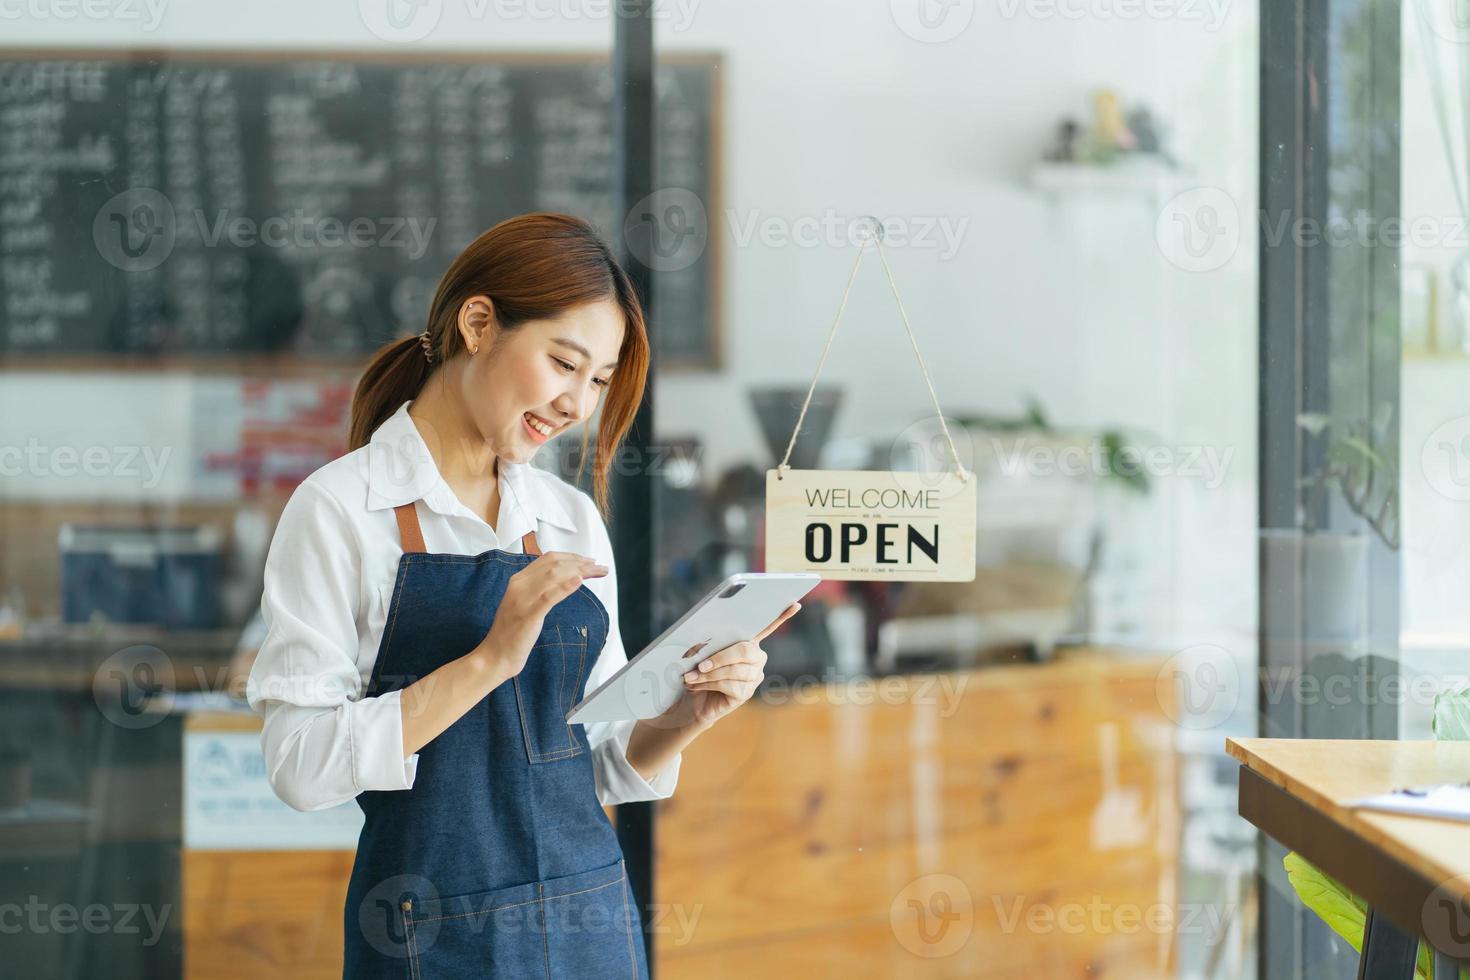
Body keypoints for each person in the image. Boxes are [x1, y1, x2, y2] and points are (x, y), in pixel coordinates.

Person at [246, 213, 799, 978]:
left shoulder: (567, 517)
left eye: (599, 381)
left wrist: (685, 716)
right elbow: (299, 766)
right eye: (564, 363)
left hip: (591, 923)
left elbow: (594, 761)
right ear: (479, 323)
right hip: (428, 936)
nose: (579, 404)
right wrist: (489, 661)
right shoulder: (342, 509)